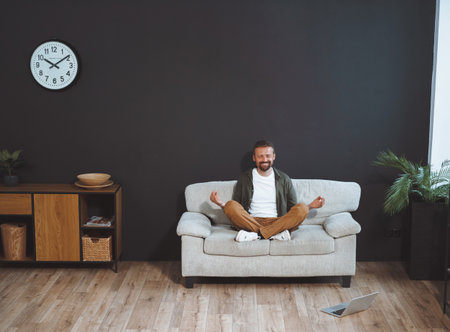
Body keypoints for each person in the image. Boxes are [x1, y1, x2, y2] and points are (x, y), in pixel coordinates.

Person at [210, 140, 325, 242]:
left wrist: (310, 206)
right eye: (260, 156)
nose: (264, 160)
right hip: (250, 221)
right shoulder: (245, 178)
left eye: (268, 156)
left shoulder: (284, 179)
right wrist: (221, 204)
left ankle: (257, 235)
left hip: (278, 222)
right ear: (254, 158)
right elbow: (236, 208)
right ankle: (273, 235)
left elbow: (293, 209)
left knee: (302, 207)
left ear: (273, 156)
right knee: (230, 205)